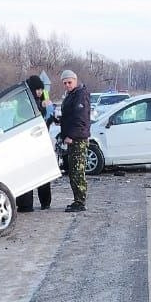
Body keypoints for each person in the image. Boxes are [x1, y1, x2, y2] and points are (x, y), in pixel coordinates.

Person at [16, 74, 54, 212]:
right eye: (37, 89)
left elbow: (45, 117)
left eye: (41, 89)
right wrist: (42, 106)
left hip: (39, 140)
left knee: (43, 173)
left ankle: (45, 202)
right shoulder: (24, 101)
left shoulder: (41, 97)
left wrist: (51, 118)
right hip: (27, 141)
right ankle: (26, 205)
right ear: (31, 90)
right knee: (28, 174)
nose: (39, 92)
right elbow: (30, 116)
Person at [56, 69, 91, 212]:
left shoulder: (80, 95)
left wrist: (71, 135)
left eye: (69, 82)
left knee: (77, 172)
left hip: (78, 139)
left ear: (75, 80)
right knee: (73, 172)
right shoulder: (72, 95)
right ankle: (77, 199)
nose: (67, 85)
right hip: (72, 138)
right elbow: (69, 116)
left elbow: (80, 120)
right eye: (65, 83)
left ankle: (80, 202)